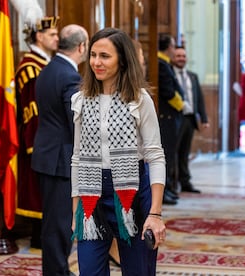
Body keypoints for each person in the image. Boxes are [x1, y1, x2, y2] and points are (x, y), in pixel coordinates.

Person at [71, 27, 166, 276]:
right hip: (92, 196)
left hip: (133, 193)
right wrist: (75, 211)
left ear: (122, 59)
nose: (96, 62)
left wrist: (155, 213)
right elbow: (77, 159)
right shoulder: (81, 100)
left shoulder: (140, 100)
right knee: (89, 271)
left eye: (105, 56)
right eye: (93, 55)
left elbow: (155, 155)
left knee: (138, 271)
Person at [31, 24, 89, 276]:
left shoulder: (49, 69)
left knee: (55, 223)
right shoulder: (69, 76)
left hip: (49, 156)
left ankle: (58, 271)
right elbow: (76, 121)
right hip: (59, 160)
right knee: (59, 225)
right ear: (81, 47)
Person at [15, 16, 59, 249]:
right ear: (39, 37)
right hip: (38, 141)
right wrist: (35, 146)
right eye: (52, 34)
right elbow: (32, 110)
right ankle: (39, 237)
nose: (57, 38)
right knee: (38, 191)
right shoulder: (30, 68)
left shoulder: (46, 63)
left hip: (49, 139)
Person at [172, 46, 209, 193]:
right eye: (178, 56)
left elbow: (199, 98)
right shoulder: (170, 75)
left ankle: (185, 181)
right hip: (176, 118)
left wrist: (204, 118)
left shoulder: (192, 76)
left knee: (185, 152)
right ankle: (172, 183)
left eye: (183, 56)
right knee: (173, 151)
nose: (181, 58)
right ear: (173, 58)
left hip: (190, 119)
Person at [157, 33, 186, 205]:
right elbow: (168, 92)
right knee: (165, 155)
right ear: (168, 47)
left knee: (169, 154)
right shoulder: (161, 65)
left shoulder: (165, 63)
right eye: (174, 46)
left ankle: (167, 188)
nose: (174, 49)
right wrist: (181, 105)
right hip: (167, 116)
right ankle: (164, 190)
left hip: (169, 116)